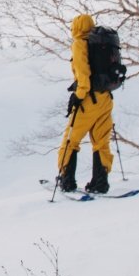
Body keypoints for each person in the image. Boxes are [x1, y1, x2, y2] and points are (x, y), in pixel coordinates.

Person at [57, 13, 114, 193]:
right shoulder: (101, 43)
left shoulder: (80, 44)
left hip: (88, 100)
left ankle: (66, 180)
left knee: (70, 140)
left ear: (76, 27)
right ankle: (100, 182)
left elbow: (84, 75)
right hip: (105, 98)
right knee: (101, 141)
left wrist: (78, 96)